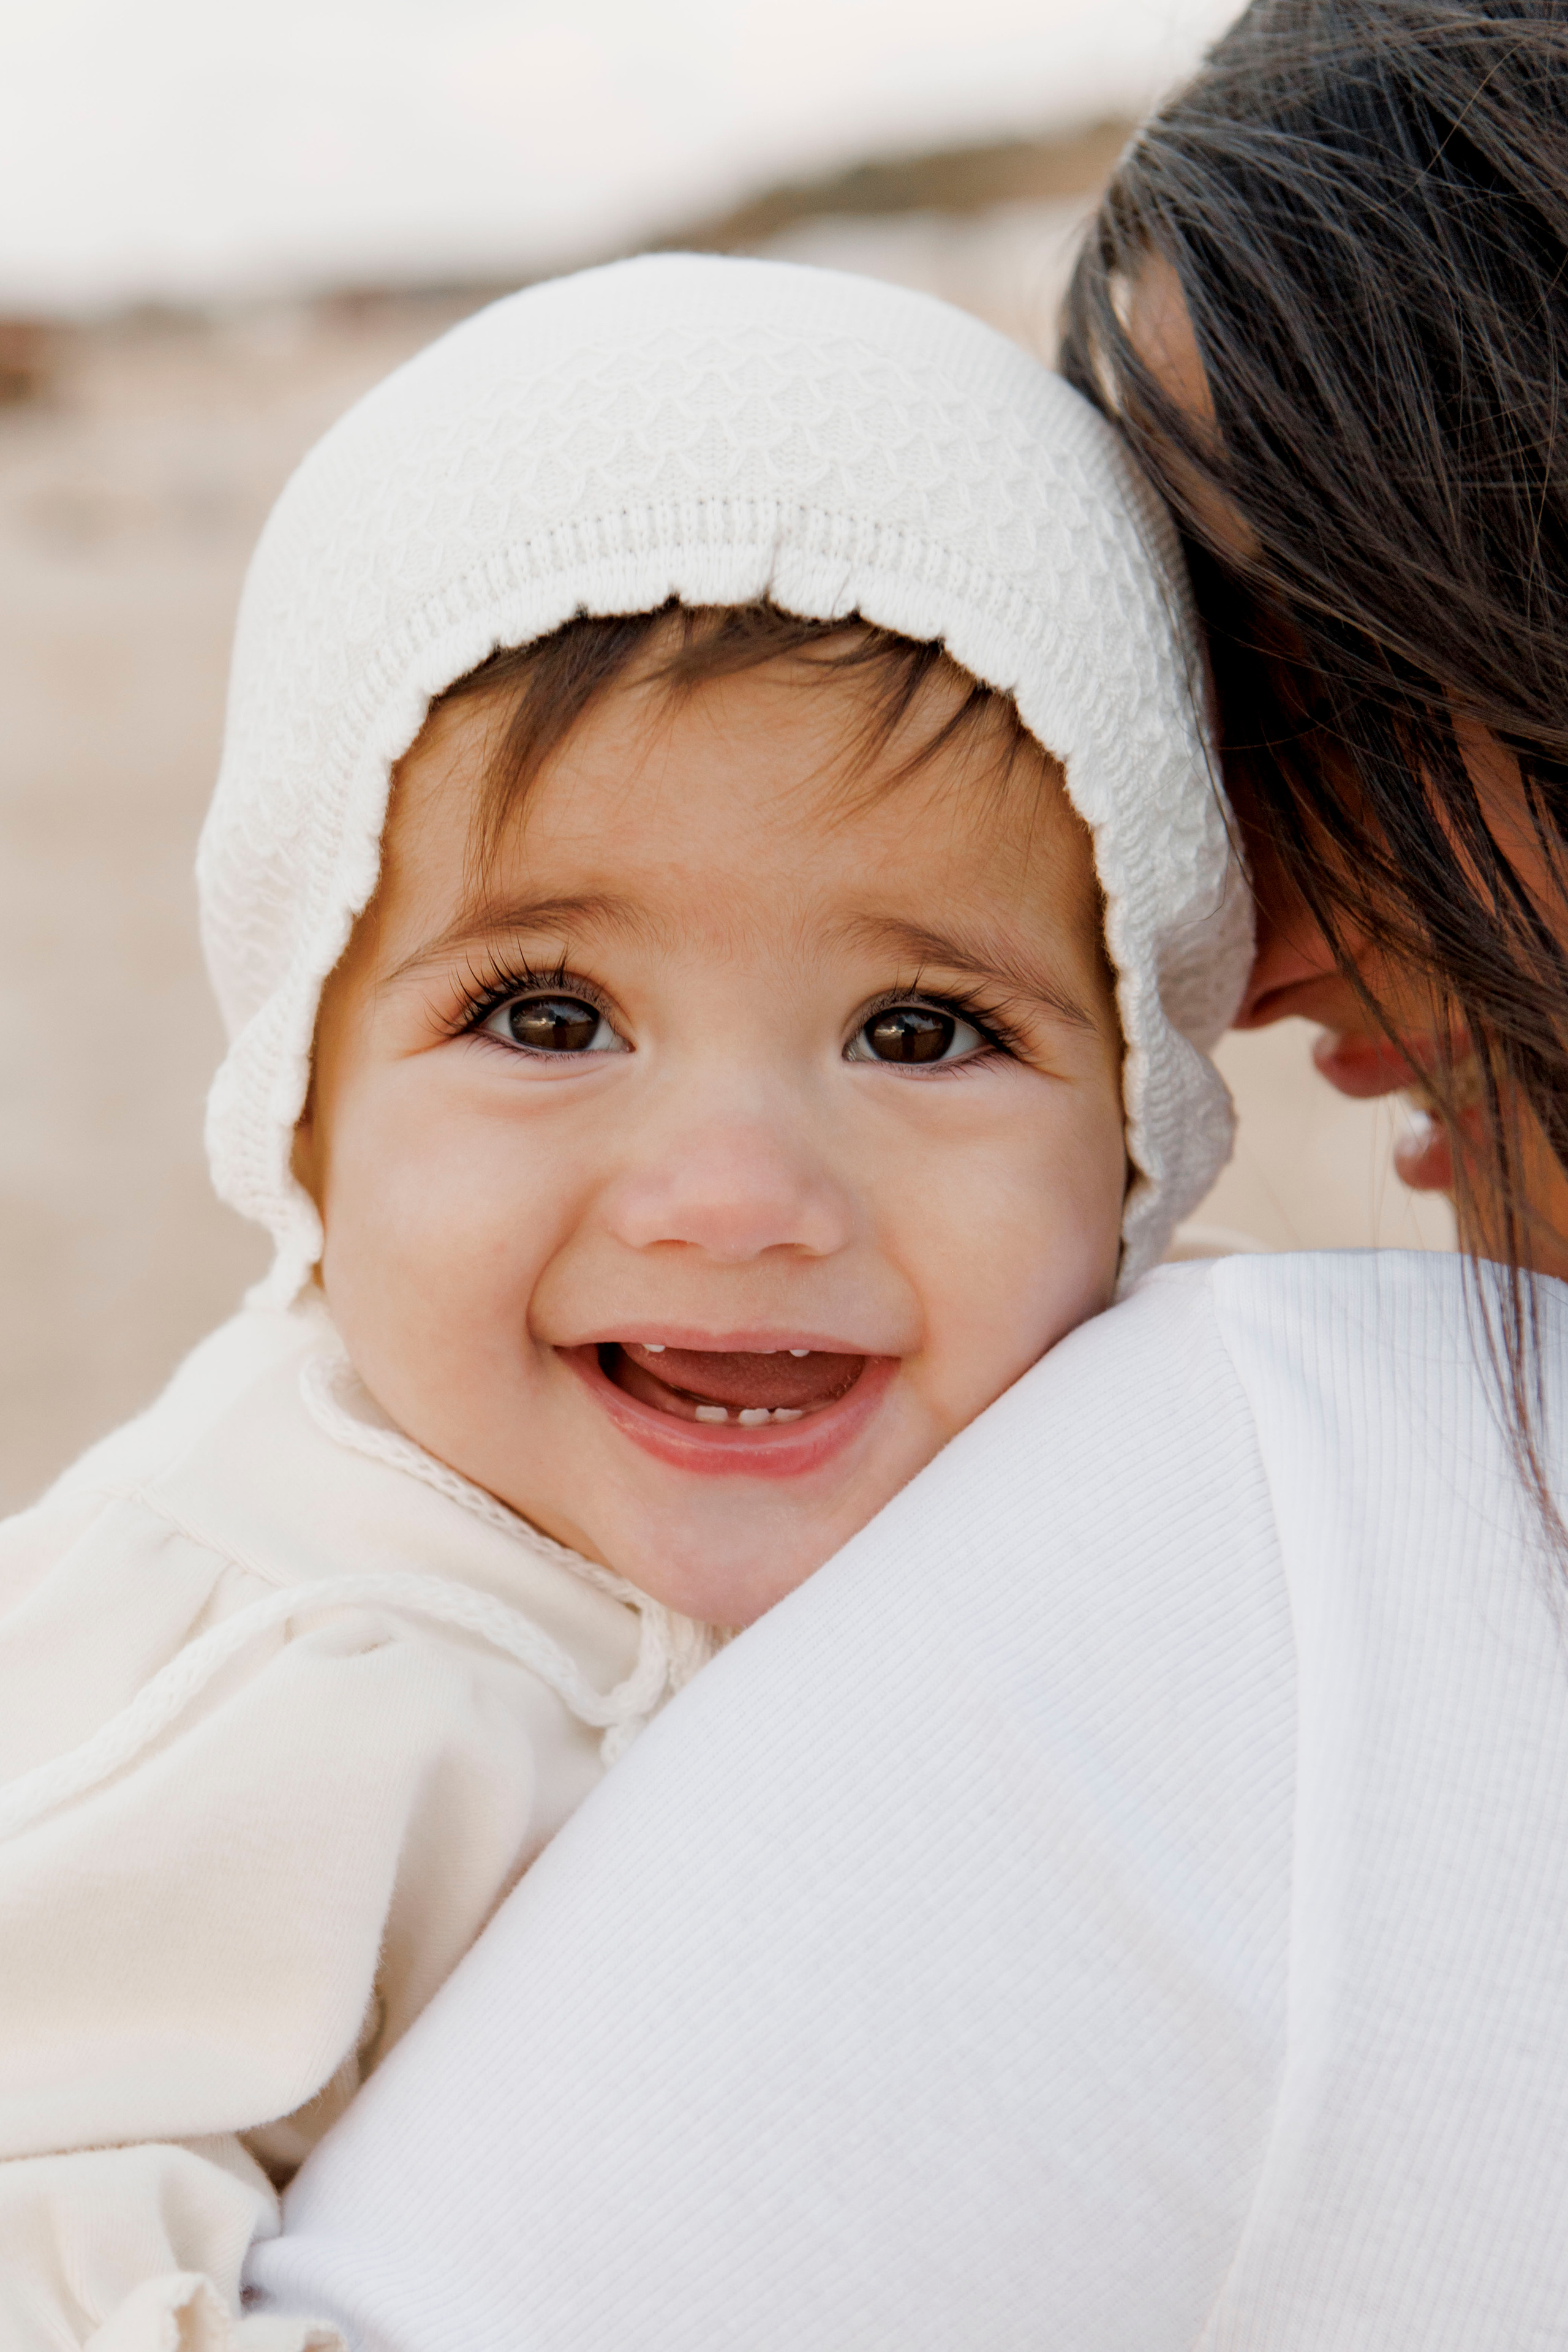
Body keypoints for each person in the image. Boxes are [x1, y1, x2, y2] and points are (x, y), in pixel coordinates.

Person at [247, 6, 1568, 2349]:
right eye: (544, 1014)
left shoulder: (1304, 1517)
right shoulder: (238, 1671)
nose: (1236, 946)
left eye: (1334, 689)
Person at [0, 254, 1250, 2350]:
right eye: (551, 1015)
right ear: (298, 1101)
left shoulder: (1183, 1449)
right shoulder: (322, 1663)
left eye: (923, 1030)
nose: (738, 1198)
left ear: (1146, 1130)